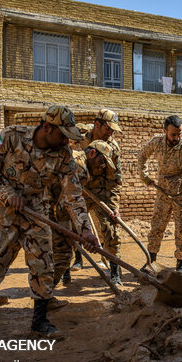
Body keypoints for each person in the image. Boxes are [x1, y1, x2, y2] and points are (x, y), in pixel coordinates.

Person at [0, 105, 99, 339]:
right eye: (62, 135)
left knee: (43, 263)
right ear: (47, 127)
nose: (65, 142)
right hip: (2, 211)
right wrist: (10, 194)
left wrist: (85, 230)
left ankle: (39, 321)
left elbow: (73, 195)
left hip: (36, 210)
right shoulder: (11, 136)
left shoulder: (63, 154)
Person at [57, 109, 122, 284]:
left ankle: (115, 273)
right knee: (70, 229)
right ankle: (66, 268)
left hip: (100, 193)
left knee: (111, 230)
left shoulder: (113, 148)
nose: (111, 133)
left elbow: (115, 181)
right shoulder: (79, 135)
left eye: (113, 130)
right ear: (97, 124)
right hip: (76, 191)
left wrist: (114, 206)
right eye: (108, 129)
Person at [138, 115, 182, 272]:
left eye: (180, 134)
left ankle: (180, 265)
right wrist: (144, 177)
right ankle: (151, 261)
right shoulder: (156, 142)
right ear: (164, 131)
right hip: (162, 193)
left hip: (180, 195)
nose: (177, 137)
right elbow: (142, 155)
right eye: (173, 134)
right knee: (157, 227)